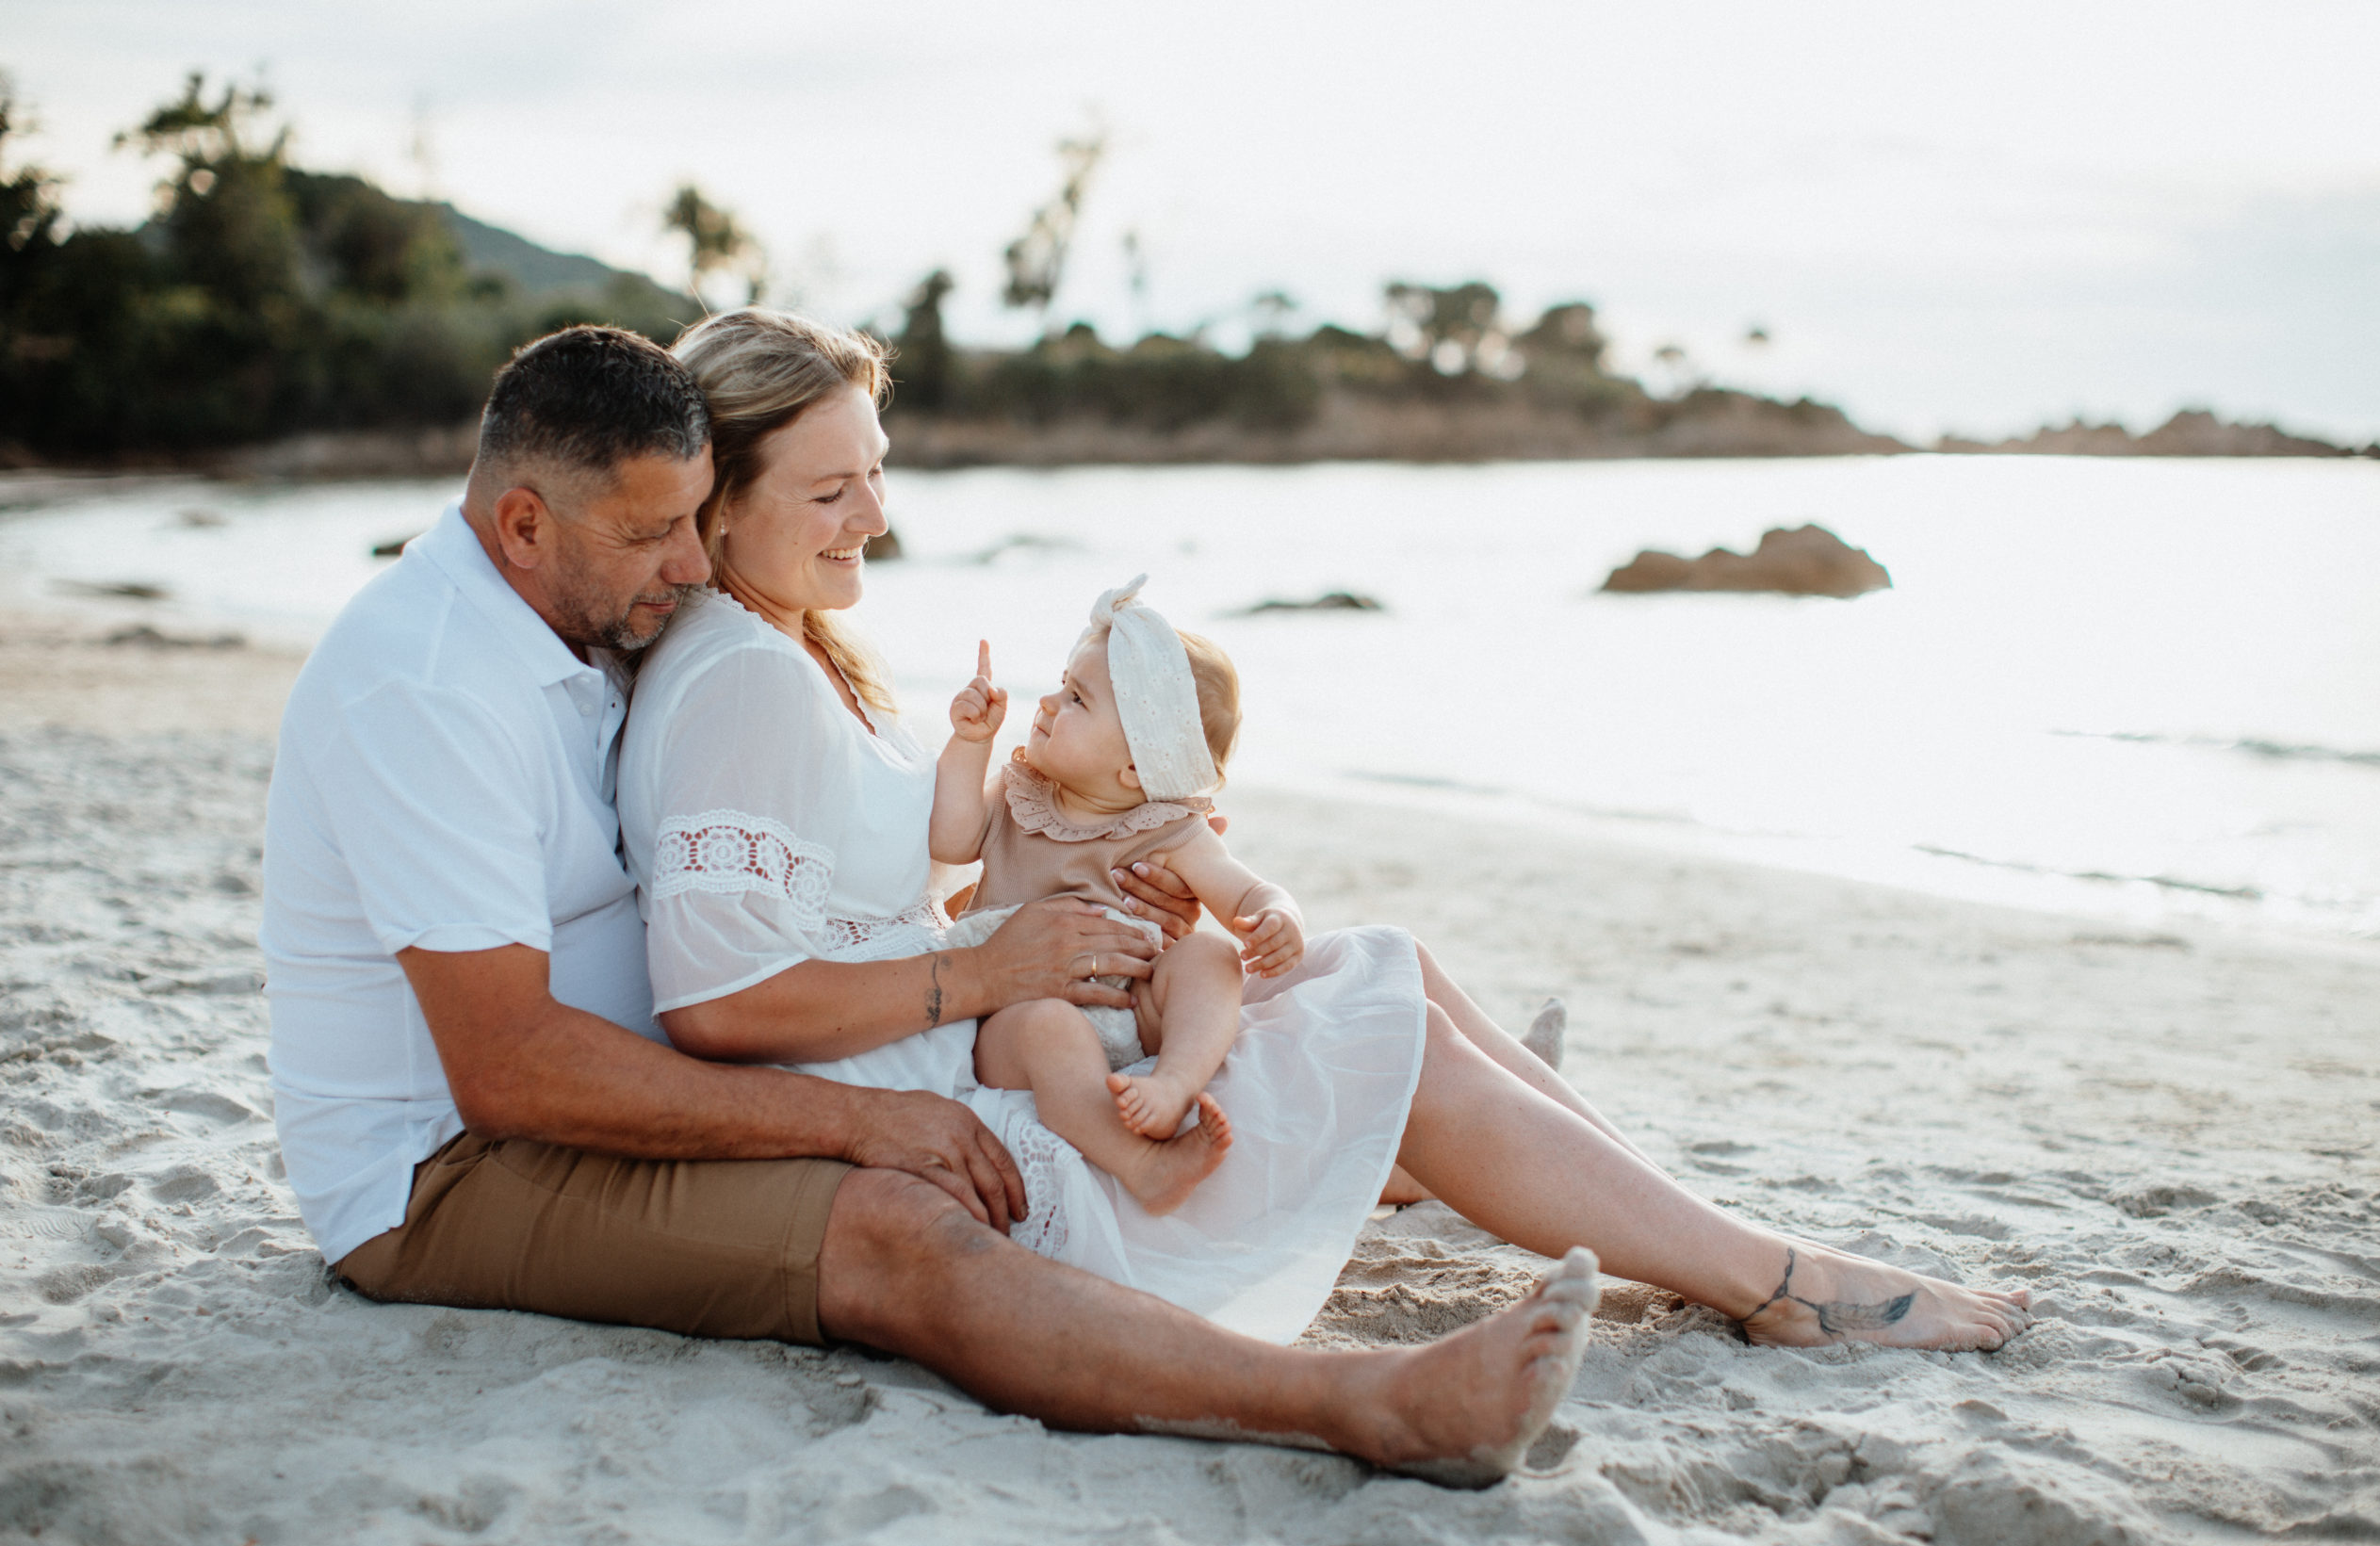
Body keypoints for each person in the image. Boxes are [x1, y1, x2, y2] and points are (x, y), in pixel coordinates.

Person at [261, 322, 1607, 1490]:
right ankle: (1371, 1404)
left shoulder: (586, 624)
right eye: (652, 531)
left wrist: (1061, 868)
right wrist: (869, 1111)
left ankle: (1551, 1193)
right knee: (908, 1221)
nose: (684, 565)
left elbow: (793, 868)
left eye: (693, 518)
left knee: (1311, 990)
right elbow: (511, 1068)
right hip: (444, 1170)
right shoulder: (429, 686)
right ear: (522, 524)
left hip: (626, 1081)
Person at [624, 307, 2035, 1358]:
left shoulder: (793, 646)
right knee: (1386, 1020)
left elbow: (880, 877)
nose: (878, 512)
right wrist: (992, 970)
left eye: (876, 468)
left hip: (983, 1016)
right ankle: (1776, 1281)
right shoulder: (743, 676)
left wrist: (1047, 915)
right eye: (831, 489)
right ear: (719, 497)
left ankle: (1695, 1231)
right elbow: (714, 1000)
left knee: (1393, 964)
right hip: (981, 1101)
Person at [931, 579, 1300, 1214]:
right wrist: (970, 745)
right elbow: (950, 836)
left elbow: (1244, 889)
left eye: (1076, 698)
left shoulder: (1168, 829)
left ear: (1138, 768)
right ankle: (1142, 1163)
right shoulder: (1018, 795)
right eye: (1061, 682)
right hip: (1014, 1024)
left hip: (1134, 1014)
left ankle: (1173, 1081)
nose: (1047, 702)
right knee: (1049, 1028)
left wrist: (1276, 915)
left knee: (1211, 958)